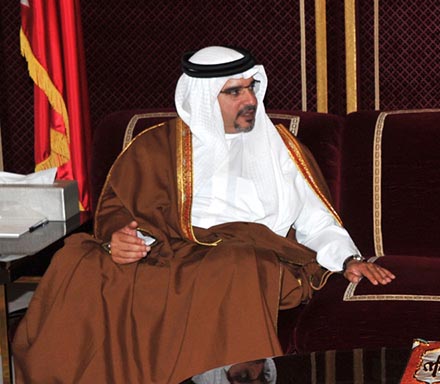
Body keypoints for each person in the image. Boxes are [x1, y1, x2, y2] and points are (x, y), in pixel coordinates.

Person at [12, 46, 395, 383]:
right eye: (234, 92)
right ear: (202, 98)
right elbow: (118, 208)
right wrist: (120, 239)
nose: (250, 99)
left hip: (245, 254)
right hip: (168, 251)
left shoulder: (280, 148)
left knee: (237, 264)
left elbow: (316, 220)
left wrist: (348, 259)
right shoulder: (156, 147)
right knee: (76, 261)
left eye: (251, 87)